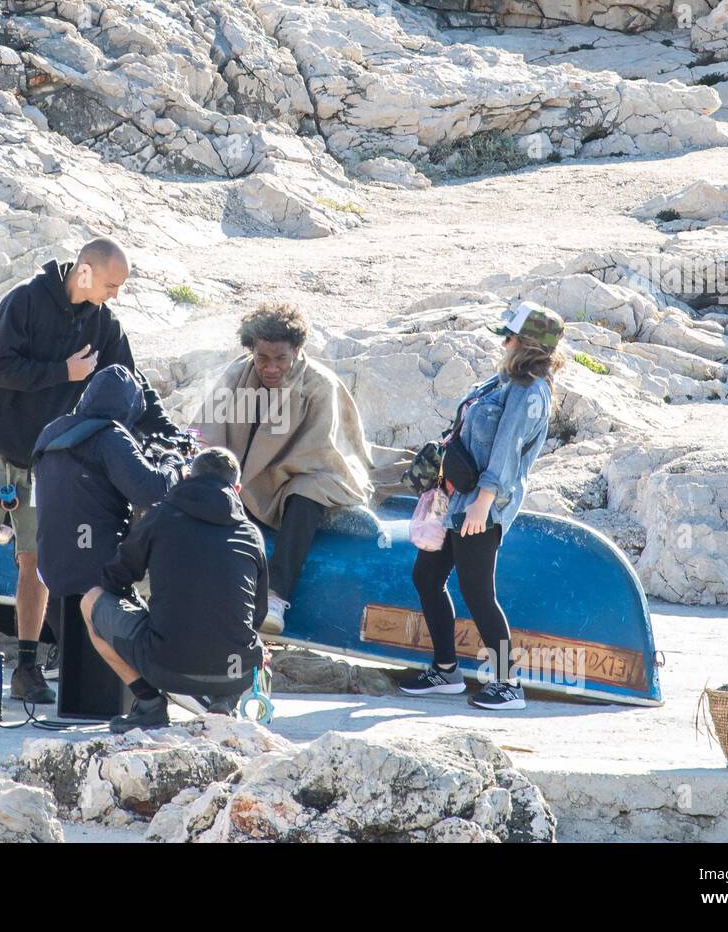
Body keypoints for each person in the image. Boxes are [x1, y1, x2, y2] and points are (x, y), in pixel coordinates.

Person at [0, 238, 184, 703]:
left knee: (35, 562)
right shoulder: (26, 301)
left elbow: (132, 388)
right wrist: (63, 372)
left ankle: (28, 667)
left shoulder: (105, 325)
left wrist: (174, 436)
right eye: (111, 284)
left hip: (47, 460)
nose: (115, 294)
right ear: (84, 272)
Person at [399, 301, 565, 710]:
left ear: (527, 343)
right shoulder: (503, 381)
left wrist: (483, 504)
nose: (503, 341)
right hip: (456, 499)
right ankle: (445, 671)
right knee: (426, 577)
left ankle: (509, 686)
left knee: (478, 594)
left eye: (509, 335)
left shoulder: (530, 392)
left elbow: (507, 452)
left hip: (482, 506)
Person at [193, 302, 372, 635]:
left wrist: (267, 477)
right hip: (246, 472)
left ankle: (276, 597)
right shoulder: (236, 375)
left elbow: (321, 451)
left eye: (281, 359)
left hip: (305, 473)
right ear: (251, 352)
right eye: (263, 359)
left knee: (307, 495)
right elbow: (208, 431)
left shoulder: (319, 385)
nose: (271, 368)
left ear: (297, 351)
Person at [79, 447, 268, 733]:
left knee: (90, 601)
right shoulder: (251, 533)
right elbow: (258, 613)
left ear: (188, 477)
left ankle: (149, 705)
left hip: (165, 666)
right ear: (237, 489)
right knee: (250, 641)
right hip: (237, 670)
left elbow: (115, 576)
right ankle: (224, 700)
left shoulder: (161, 516)